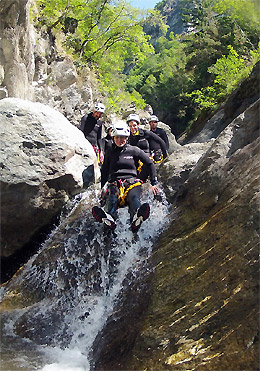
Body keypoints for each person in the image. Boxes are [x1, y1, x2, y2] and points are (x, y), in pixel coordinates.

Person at [92, 120, 159, 233]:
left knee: (133, 198)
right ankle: (109, 218)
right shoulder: (110, 152)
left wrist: (153, 183)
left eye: (122, 137)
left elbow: (150, 163)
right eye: (117, 137)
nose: (120, 140)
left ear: (127, 137)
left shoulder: (134, 150)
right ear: (113, 137)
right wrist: (101, 188)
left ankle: (137, 217)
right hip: (115, 183)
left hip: (132, 182)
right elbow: (104, 171)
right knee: (112, 199)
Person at [126, 113, 167, 182]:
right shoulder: (127, 136)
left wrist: (165, 156)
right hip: (134, 160)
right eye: (130, 126)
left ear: (138, 125)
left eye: (134, 125)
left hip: (146, 158)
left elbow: (161, 142)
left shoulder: (146, 133)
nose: (132, 128)